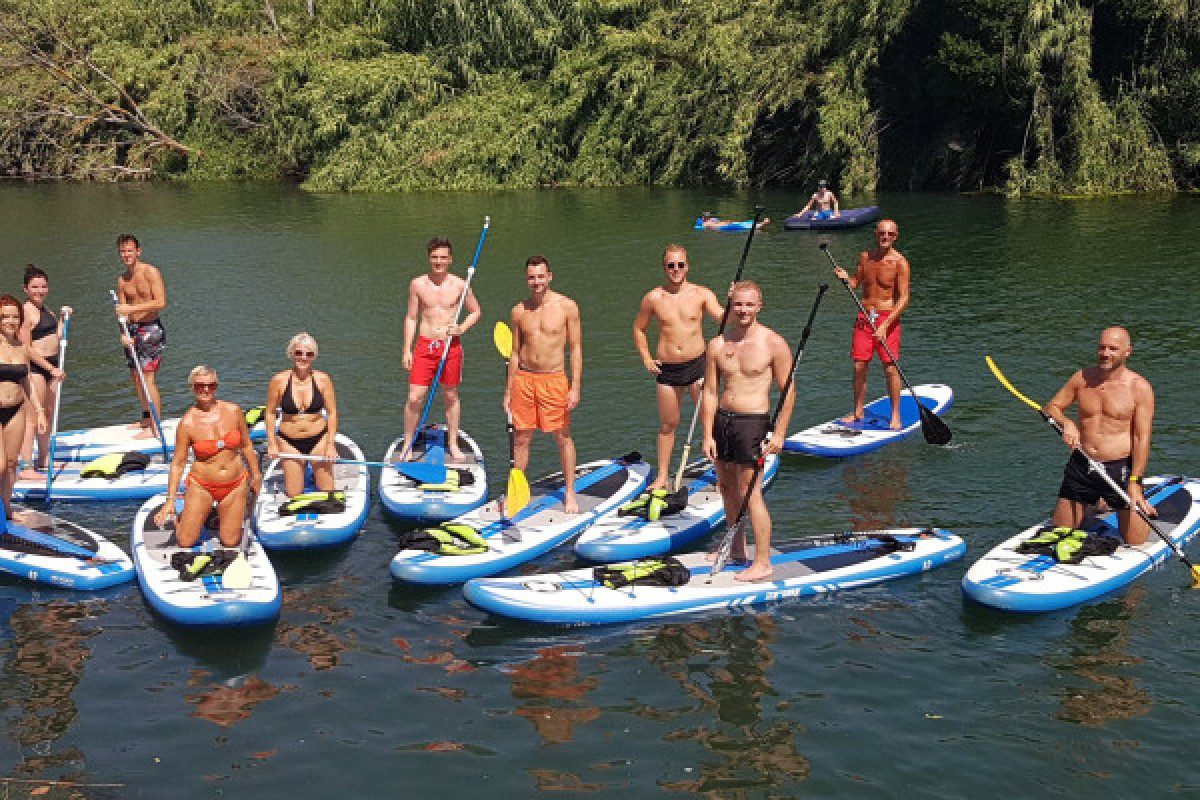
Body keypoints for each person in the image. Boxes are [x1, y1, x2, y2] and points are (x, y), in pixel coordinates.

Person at [701, 281, 794, 582]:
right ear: (731, 306)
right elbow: (711, 393)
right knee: (727, 489)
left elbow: (788, 390)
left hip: (752, 423)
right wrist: (707, 434)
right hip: (722, 422)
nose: (743, 310)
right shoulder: (717, 344)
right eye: (738, 304)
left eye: (749, 305)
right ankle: (736, 550)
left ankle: (763, 561)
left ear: (759, 306)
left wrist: (779, 433)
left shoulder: (773, 343)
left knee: (750, 493)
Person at [1043, 326, 1156, 546]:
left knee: (1136, 542)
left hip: (1118, 469)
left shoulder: (1139, 388)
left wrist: (1135, 481)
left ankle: (1128, 501)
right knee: (1059, 533)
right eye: (1102, 347)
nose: (1105, 353)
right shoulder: (1082, 378)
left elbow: (1142, 439)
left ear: (1127, 352)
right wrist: (1067, 424)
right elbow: (1052, 408)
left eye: (1113, 349)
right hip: (1082, 464)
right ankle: (1096, 502)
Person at [632, 244, 724, 490]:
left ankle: (721, 471)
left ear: (687, 266)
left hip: (698, 366)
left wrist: (735, 301)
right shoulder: (654, 297)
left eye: (680, 265)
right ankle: (662, 476)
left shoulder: (702, 294)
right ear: (664, 268)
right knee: (667, 425)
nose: (675, 270)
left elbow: (725, 320)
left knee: (710, 422)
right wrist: (646, 358)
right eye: (671, 265)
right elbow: (639, 329)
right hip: (668, 371)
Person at [505, 256, 583, 513]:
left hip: (554, 379)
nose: (536, 282)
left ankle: (570, 492)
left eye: (540, 276)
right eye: (531, 277)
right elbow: (515, 352)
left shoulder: (567, 306)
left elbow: (576, 348)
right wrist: (509, 389)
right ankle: (516, 492)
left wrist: (575, 387)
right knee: (521, 439)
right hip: (525, 379)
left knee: (562, 437)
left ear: (549, 276)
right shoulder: (519, 310)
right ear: (526, 278)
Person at [155, 366, 262, 548]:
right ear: (192, 387)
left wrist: (256, 475)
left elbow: (246, 445)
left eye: (210, 385)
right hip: (202, 485)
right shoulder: (187, 423)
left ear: (216, 386)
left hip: (235, 484)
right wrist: (170, 500)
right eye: (199, 386)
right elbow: (178, 463)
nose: (205, 390)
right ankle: (184, 516)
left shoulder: (234, 411)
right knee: (185, 542)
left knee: (230, 542)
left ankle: (217, 516)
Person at [401, 237, 482, 462]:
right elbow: (411, 317)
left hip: (450, 346)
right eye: (435, 257)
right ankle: (408, 442)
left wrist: (462, 328)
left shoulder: (460, 285)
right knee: (415, 397)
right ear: (429, 258)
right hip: (425, 345)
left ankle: (453, 444)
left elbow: (476, 311)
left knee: (451, 394)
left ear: (450, 259)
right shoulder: (417, 284)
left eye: (443, 257)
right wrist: (406, 349)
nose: (439, 262)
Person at [832, 218, 909, 430]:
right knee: (859, 366)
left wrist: (886, 325)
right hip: (865, 317)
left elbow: (904, 299)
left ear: (896, 236)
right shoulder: (865, 257)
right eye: (882, 233)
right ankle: (858, 411)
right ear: (876, 234)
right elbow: (855, 283)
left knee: (891, 369)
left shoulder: (899, 262)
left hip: (888, 319)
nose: (885, 237)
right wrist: (845, 278)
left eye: (890, 234)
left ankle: (895, 415)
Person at [265, 333, 340, 498]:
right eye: (299, 353)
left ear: (314, 356)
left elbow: (333, 412)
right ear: (291, 353)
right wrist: (272, 443)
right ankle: (301, 472)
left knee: (327, 492)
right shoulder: (279, 380)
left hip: (318, 439)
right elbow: (270, 413)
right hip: (289, 441)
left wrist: (330, 444)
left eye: (309, 354)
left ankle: (315, 472)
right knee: (293, 493)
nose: (303, 358)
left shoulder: (323, 379)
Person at [18, 266, 70, 479]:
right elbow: (26, 348)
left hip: (53, 366)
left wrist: (63, 318)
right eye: (35, 287)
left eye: (43, 286)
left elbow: (55, 336)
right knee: (32, 418)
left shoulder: (46, 310)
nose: (40, 290)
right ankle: (27, 467)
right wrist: (50, 369)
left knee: (47, 414)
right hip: (37, 369)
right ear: (25, 289)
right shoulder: (25, 312)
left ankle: (44, 457)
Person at [113, 233, 167, 438]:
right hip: (132, 330)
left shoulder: (150, 272)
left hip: (151, 329)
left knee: (147, 377)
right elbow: (121, 312)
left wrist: (131, 308)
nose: (126, 255)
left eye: (129, 250)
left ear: (138, 251)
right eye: (122, 252)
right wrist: (122, 333)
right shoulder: (122, 279)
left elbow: (161, 302)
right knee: (136, 377)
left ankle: (156, 425)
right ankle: (146, 415)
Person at [0, 296, 45, 520]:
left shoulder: (23, 348)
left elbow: (27, 382)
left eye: (15, 316)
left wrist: (39, 411)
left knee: (10, 463)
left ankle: (7, 509)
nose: (10, 321)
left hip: (16, 409)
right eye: (5, 316)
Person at [698, 212, 770, 231]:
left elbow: (719, 221)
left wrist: (728, 221)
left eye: (708, 216)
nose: (708, 217)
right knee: (743, 227)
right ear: (703, 217)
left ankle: (759, 224)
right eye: (706, 216)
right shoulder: (705, 223)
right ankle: (763, 224)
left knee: (742, 223)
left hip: (725, 224)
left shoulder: (711, 220)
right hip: (722, 227)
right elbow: (713, 227)